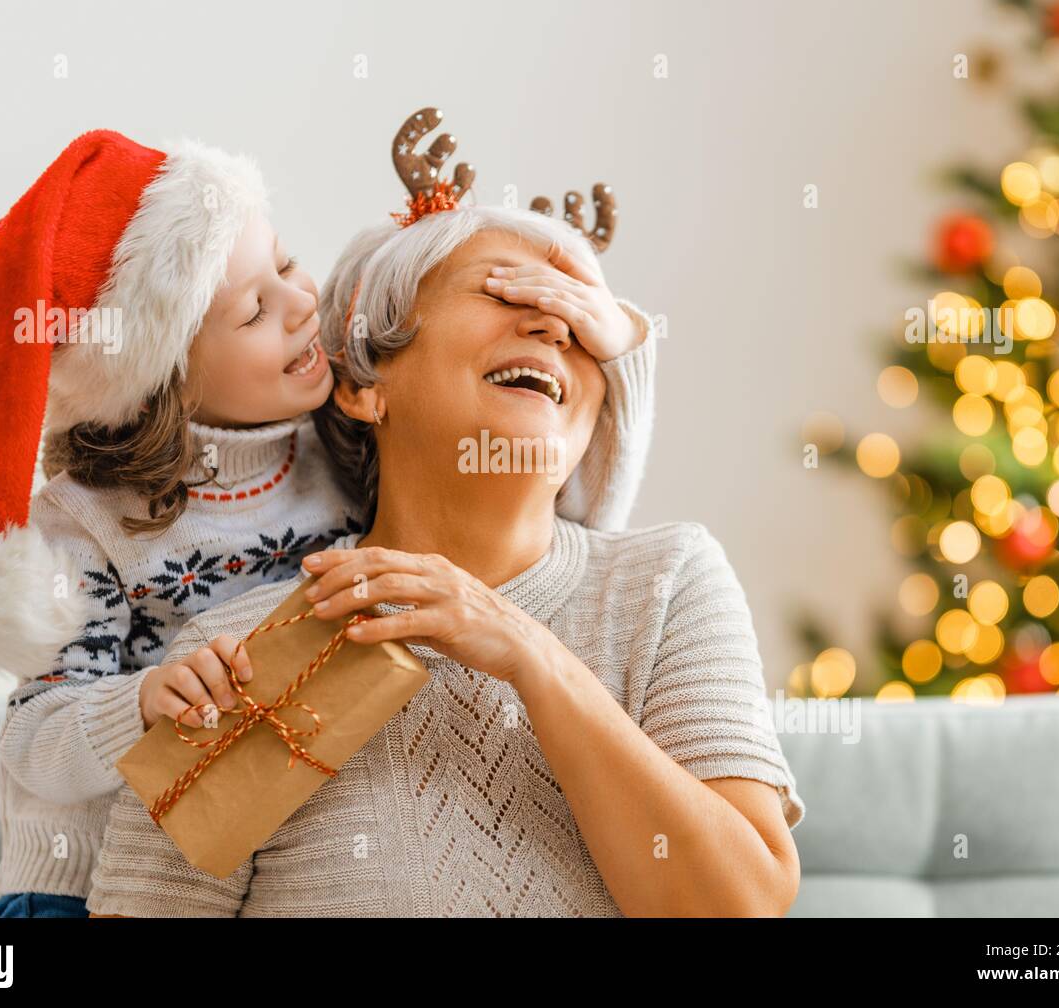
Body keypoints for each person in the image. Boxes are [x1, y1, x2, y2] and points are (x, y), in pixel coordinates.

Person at [85, 198, 803, 917]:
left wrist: (529, 654)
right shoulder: (246, 651)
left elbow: (741, 907)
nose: (554, 323)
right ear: (365, 385)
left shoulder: (666, 583)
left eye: (582, 321)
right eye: (502, 291)